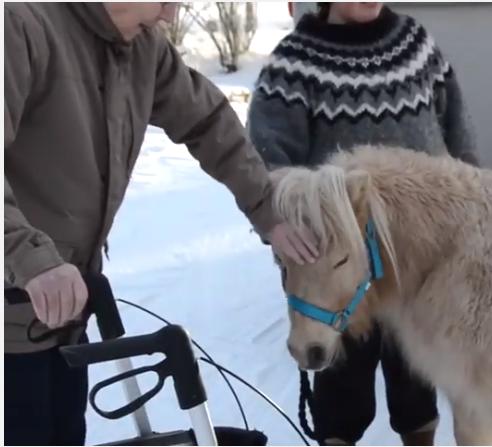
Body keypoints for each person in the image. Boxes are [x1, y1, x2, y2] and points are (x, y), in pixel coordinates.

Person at [4, 3, 319, 445]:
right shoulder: (20, 26)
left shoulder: (141, 46)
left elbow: (208, 120)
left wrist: (268, 209)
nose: (171, 15)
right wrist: (31, 260)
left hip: (64, 313)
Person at [246, 3, 479, 445]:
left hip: (416, 267)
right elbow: (265, 165)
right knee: (341, 393)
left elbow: (458, 138)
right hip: (334, 275)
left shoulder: (414, 46)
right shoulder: (296, 63)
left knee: (416, 385)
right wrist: (287, 228)